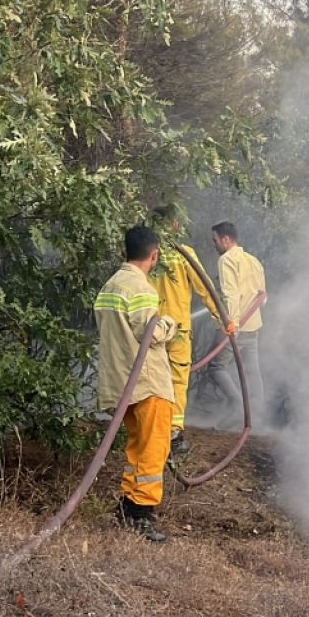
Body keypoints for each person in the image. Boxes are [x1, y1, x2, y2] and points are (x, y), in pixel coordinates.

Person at [95, 225, 178, 542]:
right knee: (153, 452)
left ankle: (127, 507)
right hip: (147, 384)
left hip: (122, 384)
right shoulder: (140, 288)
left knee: (137, 452)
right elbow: (151, 332)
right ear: (154, 255)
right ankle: (141, 515)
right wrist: (170, 324)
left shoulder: (110, 286)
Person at [148, 204, 220, 454]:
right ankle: (173, 433)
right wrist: (224, 320)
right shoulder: (183, 254)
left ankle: (151, 427)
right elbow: (205, 287)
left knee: (152, 379)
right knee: (177, 379)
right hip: (177, 330)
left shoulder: (148, 254)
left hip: (151, 331)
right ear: (175, 224)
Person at [208, 221, 266, 426]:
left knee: (215, 367)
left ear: (226, 239)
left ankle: (237, 407)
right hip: (253, 326)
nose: (214, 245)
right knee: (252, 370)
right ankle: (256, 415)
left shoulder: (226, 260)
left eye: (215, 240)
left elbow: (230, 294)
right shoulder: (254, 261)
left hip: (233, 326)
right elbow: (263, 297)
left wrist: (231, 323)